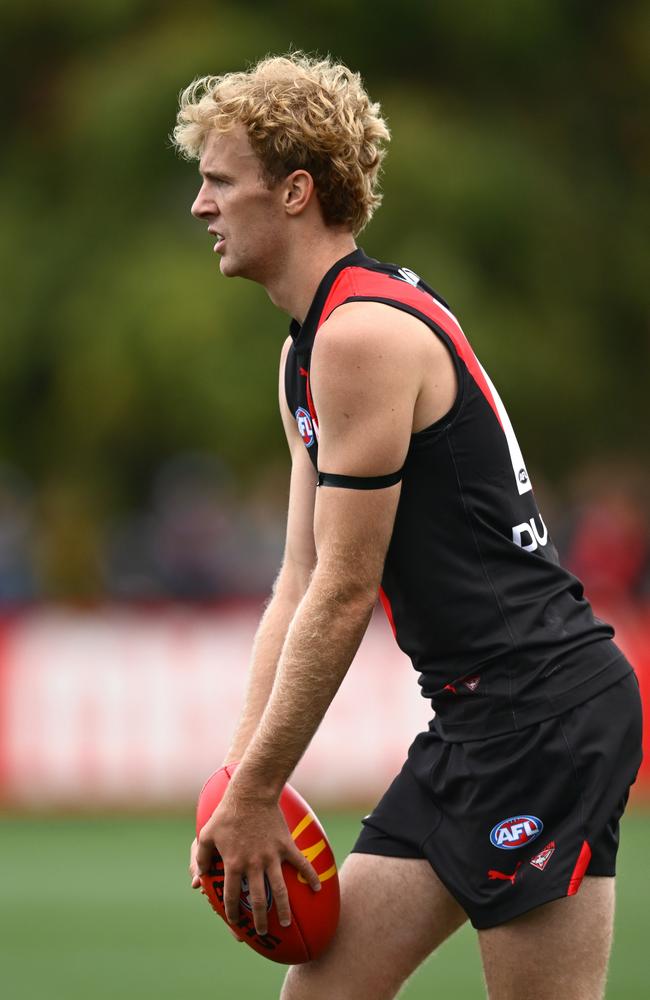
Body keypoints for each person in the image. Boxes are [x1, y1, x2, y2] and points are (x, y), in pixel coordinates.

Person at [173, 53, 642, 999]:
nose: (200, 204)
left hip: (543, 715)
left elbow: (346, 593)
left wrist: (263, 789)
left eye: (220, 179)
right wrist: (236, 787)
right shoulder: (306, 348)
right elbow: (298, 578)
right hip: (478, 721)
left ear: (295, 191)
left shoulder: (361, 337)